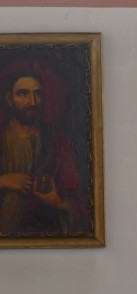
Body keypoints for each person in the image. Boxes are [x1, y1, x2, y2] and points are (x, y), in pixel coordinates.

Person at [0, 69, 86, 236]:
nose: (32, 102)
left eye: (37, 94)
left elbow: (80, 202)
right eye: (23, 94)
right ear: (9, 99)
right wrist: (2, 181)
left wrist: (58, 202)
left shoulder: (60, 145)